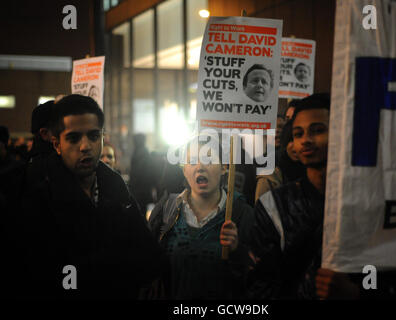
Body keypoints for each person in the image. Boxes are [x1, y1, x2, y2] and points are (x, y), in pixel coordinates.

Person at [14, 94, 166, 299]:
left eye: (94, 136)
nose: (85, 146)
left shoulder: (114, 184)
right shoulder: (37, 192)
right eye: (74, 138)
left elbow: (146, 253)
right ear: (56, 144)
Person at [148, 134, 254, 299]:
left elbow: (258, 279)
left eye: (209, 160)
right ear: (184, 170)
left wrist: (237, 251)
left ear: (224, 167)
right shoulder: (166, 209)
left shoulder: (242, 214)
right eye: (192, 162)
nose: (200, 167)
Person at [248, 93, 330, 299]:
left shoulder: (362, 202)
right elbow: (260, 282)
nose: (306, 141)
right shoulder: (273, 206)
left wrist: (361, 291)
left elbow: (373, 270)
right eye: (298, 133)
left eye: (318, 130)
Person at [129, 133, 155, 214]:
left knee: (140, 212)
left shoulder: (138, 153)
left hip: (139, 190)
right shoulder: (144, 152)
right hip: (143, 190)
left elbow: (137, 173)